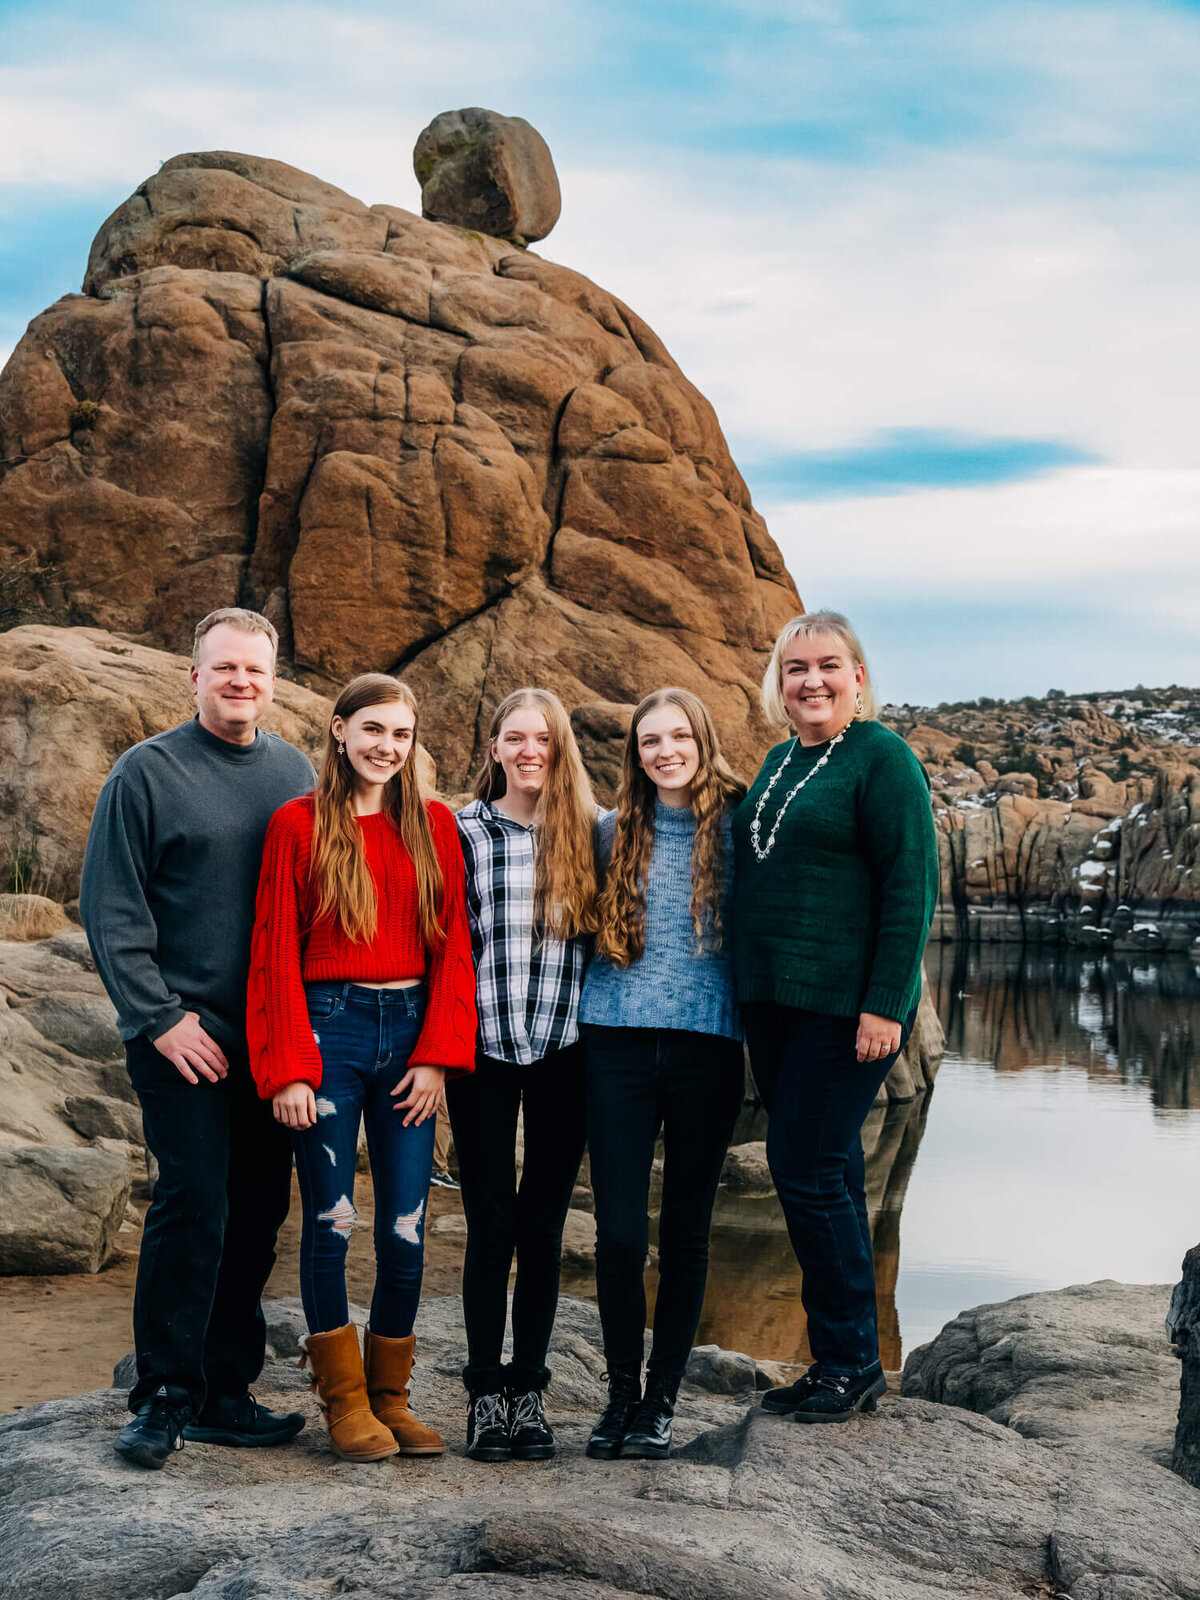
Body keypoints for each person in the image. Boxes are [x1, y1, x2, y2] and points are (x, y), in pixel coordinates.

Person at [80, 608, 316, 1469]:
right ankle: (162, 1397)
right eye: (224, 669)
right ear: (194, 676)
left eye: (254, 671)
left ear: (273, 680)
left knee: (258, 1215)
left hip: (268, 1040)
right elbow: (110, 906)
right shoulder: (146, 773)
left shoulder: (293, 771)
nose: (240, 683)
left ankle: (225, 1391)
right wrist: (160, 1016)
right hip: (180, 1036)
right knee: (193, 1210)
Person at [247, 674, 476, 1462]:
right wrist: (288, 1068)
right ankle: (343, 1403)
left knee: (407, 1228)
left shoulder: (434, 825)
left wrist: (441, 1056)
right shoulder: (298, 824)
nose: (387, 746)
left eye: (402, 734)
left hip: (412, 1032)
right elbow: (274, 948)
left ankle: (392, 1398)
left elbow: (455, 947)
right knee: (331, 1221)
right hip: (329, 1030)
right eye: (372, 729)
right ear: (339, 731)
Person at [731, 611, 939, 1422]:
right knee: (834, 1174)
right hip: (775, 1005)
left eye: (827, 666)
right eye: (795, 669)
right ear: (778, 685)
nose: (811, 681)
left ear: (858, 677)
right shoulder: (782, 760)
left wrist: (885, 1006)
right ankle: (845, 1358)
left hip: (843, 1010)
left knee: (806, 1169)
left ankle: (849, 1362)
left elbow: (909, 887)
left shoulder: (883, 759)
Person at [580, 688, 747, 1460]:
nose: (665, 751)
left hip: (707, 1050)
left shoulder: (741, 833)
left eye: (679, 736)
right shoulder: (613, 832)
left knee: (685, 1232)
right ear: (636, 754)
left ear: (703, 740)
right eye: (650, 741)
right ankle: (619, 1394)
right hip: (613, 1043)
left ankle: (661, 1402)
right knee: (617, 1234)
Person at [450, 688, 600, 1463]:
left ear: (560, 747)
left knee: (541, 1229)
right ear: (497, 748)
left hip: (564, 1051)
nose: (529, 750)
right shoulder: (463, 830)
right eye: (515, 738)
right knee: (490, 1226)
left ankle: (528, 1395)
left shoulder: (592, 833)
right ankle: (483, 1396)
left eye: (543, 738)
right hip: (481, 1049)